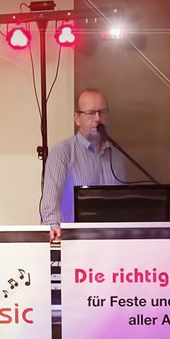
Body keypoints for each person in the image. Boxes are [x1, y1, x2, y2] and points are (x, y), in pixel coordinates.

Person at [41, 88, 122, 242]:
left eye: (101, 112)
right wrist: (55, 235)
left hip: (113, 243)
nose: (97, 118)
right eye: (90, 113)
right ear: (77, 119)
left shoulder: (117, 155)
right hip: (75, 243)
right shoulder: (62, 153)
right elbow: (50, 207)